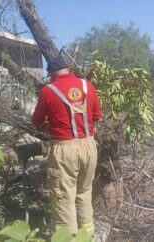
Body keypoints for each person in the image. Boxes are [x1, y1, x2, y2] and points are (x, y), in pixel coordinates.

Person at [32, 56, 101, 236]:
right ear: (69, 68)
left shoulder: (48, 90)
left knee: (63, 199)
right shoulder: (88, 86)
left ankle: (69, 239)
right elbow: (95, 117)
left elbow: (36, 121)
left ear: (50, 74)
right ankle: (88, 236)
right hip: (89, 146)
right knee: (84, 192)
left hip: (64, 149)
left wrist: (52, 123)